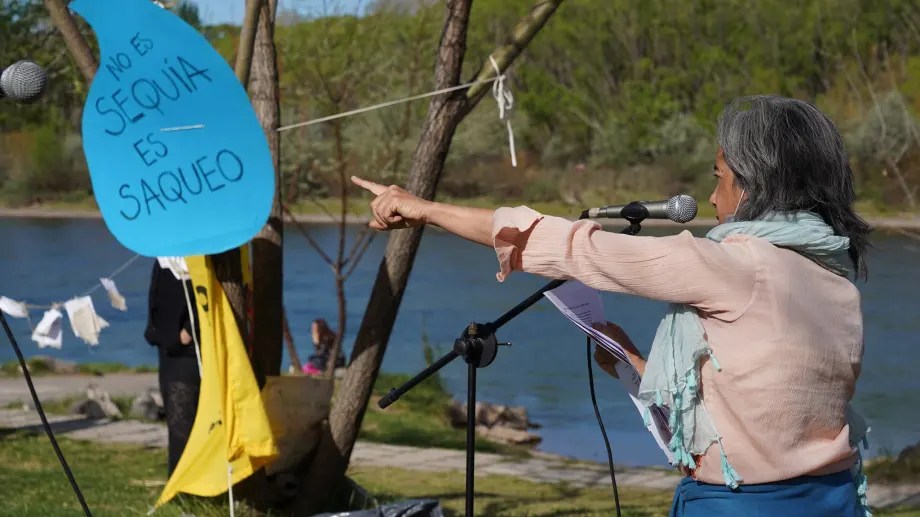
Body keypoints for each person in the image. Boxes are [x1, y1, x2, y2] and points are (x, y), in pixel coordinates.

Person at [351, 95, 873, 516]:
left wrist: (420, 208)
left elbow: (567, 246)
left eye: (718, 177)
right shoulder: (835, 280)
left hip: (738, 506)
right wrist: (638, 368)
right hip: (832, 498)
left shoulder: (737, 265)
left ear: (755, 181)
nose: (713, 198)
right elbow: (761, 412)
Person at [144, 258, 200, 476]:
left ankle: (187, 485)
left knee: (185, 420)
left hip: (189, 350)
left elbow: (208, 296)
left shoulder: (201, 251)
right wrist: (157, 332)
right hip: (167, 346)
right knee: (176, 420)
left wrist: (189, 331)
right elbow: (156, 296)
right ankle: (179, 482)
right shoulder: (164, 257)